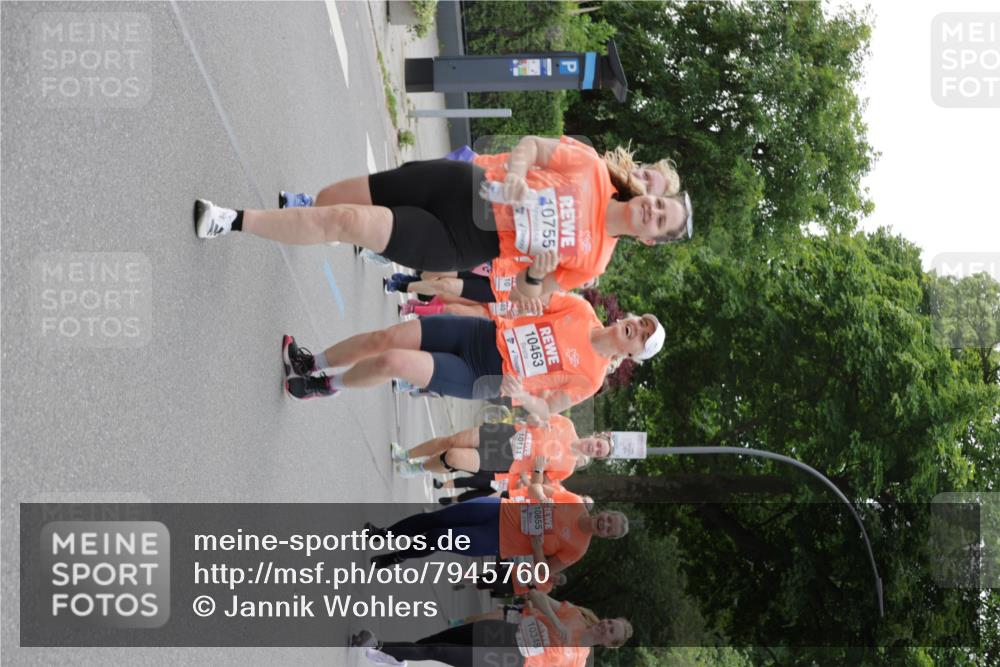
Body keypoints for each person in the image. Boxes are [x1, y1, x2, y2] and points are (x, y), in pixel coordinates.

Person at [194, 136, 693, 291]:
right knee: (334, 198)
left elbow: (526, 292)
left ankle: (231, 220)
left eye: (660, 220)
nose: (652, 210)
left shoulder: (595, 263)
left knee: (346, 222)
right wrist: (517, 171)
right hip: (466, 185)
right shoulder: (590, 168)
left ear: (650, 239)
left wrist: (536, 274)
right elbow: (532, 147)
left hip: (465, 241)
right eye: (658, 204)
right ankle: (304, 216)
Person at [279, 292, 666, 419]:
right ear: (629, 318)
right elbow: (532, 297)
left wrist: (527, 396)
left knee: (392, 362)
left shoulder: (593, 376)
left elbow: (549, 409)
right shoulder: (581, 310)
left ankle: (328, 384)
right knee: (388, 336)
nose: (638, 328)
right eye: (642, 322)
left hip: (483, 374)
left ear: (633, 354)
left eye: (643, 337)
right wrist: (522, 299)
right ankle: (312, 362)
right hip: (482, 333)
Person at [353, 590, 632, 667]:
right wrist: (555, 620)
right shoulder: (575, 615)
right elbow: (535, 595)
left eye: (611, 632)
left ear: (609, 644)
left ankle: (377, 645)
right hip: (505, 632)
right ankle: (395, 656)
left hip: (509, 659)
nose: (606, 627)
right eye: (610, 622)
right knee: (438, 638)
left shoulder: (577, 663)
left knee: (438, 650)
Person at [391, 414, 612, 481]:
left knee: (453, 457)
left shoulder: (568, 468)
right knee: (452, 440)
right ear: (595, 436)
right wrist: (535, 419)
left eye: (599, 453)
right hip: (506, 434)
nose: (595, 448)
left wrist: (537, 470)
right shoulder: (567, 425)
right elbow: (536, 415)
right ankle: (406, 454)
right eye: (599, 444)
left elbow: (540, 484)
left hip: (506, 461)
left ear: (595, 457)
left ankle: (419, 469)